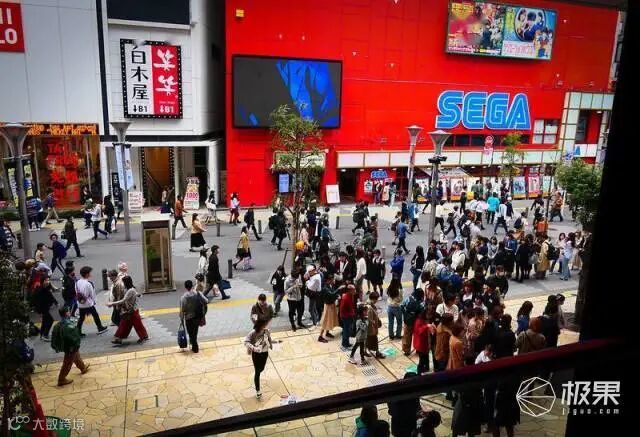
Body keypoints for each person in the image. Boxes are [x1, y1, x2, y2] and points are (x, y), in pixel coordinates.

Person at [52, 307, 90, 386]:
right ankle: (61, 379)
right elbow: (72, 337)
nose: (70, 312)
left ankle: (83, 368)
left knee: (76, 356)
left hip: (69, 346)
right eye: (69, 311)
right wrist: (76, 343)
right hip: (70, 347)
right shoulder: (67, 325)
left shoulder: (60, 324)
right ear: (66, 313)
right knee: (68, 363)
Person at [108, 275, 149, 344]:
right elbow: (136, 295)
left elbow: (123, 300)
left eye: (123, 282)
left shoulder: (131, 290)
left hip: (132, 311)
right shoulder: (128, 289)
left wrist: (112, 303)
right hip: (129, 310)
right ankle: (119, 339)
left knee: (136, 325)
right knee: (124, 324)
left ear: (126, 282)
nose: (123, 284)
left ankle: (144, 337)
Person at [244, 319, 274, 399]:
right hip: (256, 354)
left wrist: (271, 344)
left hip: (264, 352)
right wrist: (254, 348)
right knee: (257, 372)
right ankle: (258, 390)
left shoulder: (266, 331)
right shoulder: (253, 333)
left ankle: (258, 373)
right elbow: (246, 342)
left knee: (262, 368)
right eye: (264, 325)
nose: (265, 326)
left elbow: (268, 338)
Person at [75, 266, 108, 336]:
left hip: (80, 303)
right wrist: (94, 301)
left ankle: (78, 331)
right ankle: (100, 327)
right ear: (87, 274)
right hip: (88, 303)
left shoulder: (77, 282)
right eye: (90, 273)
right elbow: (92, 294)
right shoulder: (88, 283)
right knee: (95, 315)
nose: (90, 274)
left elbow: (76, 292)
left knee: (81, 317)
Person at [387, 372, 424, 437]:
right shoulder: (401, 396)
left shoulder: (397, 389)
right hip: (403, 426)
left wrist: (419, 411)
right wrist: (417, 414)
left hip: (400, 425)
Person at [180, 280, 208, 353]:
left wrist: (181, 319)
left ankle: (195, 347)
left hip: (188, 318)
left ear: (185, 287)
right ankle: (193, 344)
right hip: (197, 316)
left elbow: (182, 309)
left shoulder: (184, 297)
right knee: (195, 332)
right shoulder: (198, 293)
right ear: (192, 285)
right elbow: (206, 301)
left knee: (190, 333)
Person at [401, 288, 425, 356]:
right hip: (417, 322)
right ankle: (418, 349)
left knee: (407, 336)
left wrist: (405, 314)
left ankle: (406, 351)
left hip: (408, 321)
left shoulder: (409, 298)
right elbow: (423, 311)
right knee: (418, 336)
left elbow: (402, 306)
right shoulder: (421, 302)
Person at [32, 276, 58, 341]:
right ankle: (45, 335)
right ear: (42, 281)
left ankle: (42, 334)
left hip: (47, 307)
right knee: (50, 320)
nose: (47, 282)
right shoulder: (40, 289)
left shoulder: (47, 288)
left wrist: (55, 302)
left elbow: (51, 296)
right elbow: (37, 300)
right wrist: (39, 311)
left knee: (44, 321)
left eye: (48, 280)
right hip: (44, 308)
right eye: (46, 280)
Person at [318, 274, 339, 342]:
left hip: (331, 304)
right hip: (328, 306)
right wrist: (338, 289)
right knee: (325, 321)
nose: (333, 281)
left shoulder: (330, 285)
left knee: (330, 320)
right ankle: (320, 336)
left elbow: (333, 294)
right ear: (328, 280)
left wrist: (337, 296)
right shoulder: (325, 288)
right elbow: (331, 294)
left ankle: (327, 332)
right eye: (332, 280)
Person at [413, 309, 435, 374]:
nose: (429, 316)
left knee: (426, 356)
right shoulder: (419, 321)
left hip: (426, 342)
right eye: (428, 315)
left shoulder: (426, 320)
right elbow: (419, 331)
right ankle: (419, 372)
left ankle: (426, 368)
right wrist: (427, 326)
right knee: (422, 359)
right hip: (420, 343)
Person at [365, 292, 384, 359]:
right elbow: (369, 319)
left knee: (369, 340)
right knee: (374, 340)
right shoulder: (369, 307)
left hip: (372, 327)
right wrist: (374, 325)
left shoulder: (370, 304)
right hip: (371, 328)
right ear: (373, 299)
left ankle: (365, 351)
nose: (377, 301)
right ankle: (377, 353)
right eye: (376, 299)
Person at [339, 283, 357, 348]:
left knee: (347, 330)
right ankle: (345, 344)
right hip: (346, 316)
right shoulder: (346, 298)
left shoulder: (351, 296)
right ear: (349, 290)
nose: (355, 291)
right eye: (353, 290)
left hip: (349, 315)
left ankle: (347, 342)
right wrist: (352, 314)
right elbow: (342, 309)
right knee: (346, 331)